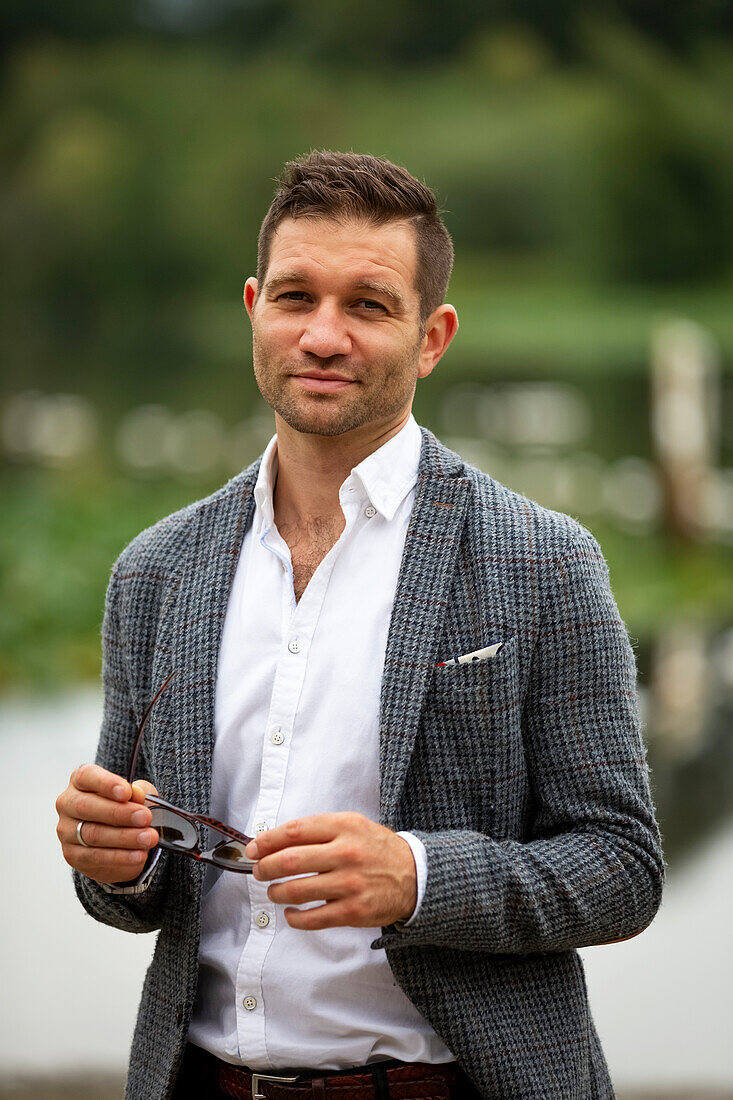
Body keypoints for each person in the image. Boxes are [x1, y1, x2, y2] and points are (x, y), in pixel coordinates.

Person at [55, 150, 664, 1100]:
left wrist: (417, 876)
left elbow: (622, 868)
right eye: (296, 297)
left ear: (432, 337)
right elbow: (137, 893)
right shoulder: (156, 570)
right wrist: (114, 861)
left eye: (369, 305)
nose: (323, 335)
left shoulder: (546, 561)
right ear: (254, 306)